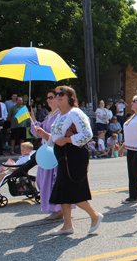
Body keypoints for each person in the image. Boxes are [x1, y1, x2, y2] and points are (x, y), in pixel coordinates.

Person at [34, 86, 103, 235]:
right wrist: (44, 134)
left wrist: (66, 140)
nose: (57, 96)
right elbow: (54, 140)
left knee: (71, 191)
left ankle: (95, 215)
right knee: (62, 190)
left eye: (61, 94)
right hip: (63, 157)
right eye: (55, 94)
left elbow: (87, 135)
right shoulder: (60, 116)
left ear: (70, 97)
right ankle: (67, 225)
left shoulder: (75, 113)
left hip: (74, 156)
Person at [30, 89, 68, 220]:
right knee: (41, 180)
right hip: (46, 153)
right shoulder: (50, 115)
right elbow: (39, 132)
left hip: (54, 153)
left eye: (51, 97)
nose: (49, 100)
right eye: (47, 97)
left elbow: (59, 136)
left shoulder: (60, 116)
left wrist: (44, 134)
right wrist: (34, 119)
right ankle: (56, 208)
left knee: (52, 181)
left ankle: (58, 209)